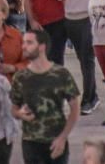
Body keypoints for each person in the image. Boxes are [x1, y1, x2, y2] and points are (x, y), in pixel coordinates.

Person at [10, 29, 81, 164]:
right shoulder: (20, 77)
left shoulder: (61, 74)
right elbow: (13, 109)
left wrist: (63, 137)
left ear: (42, 46)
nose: (24, 46)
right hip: (30, 143)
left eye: (29, 42)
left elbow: (75, 109)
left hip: (56, 141)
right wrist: (20, 114)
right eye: (23, 42)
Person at [52, 0, 104, 115]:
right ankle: (92, 94)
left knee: (87, 59)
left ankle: (89, 98)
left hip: (88, 18)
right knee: (81, 59)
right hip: (70, 19)